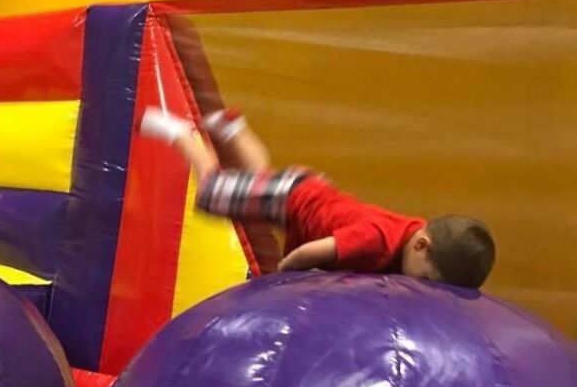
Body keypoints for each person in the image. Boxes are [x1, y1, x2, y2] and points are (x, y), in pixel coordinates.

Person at [139, 106, 496, 289]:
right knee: (211, 191)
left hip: (305, 193)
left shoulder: (413, 239)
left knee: (259, 174)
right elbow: (313, 252)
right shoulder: (376, 241)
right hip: (291, 198)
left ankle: (233, 126)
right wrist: (279, 279)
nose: (424, 289)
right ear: (421, 246)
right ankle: (182, 134)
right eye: (428, 281)